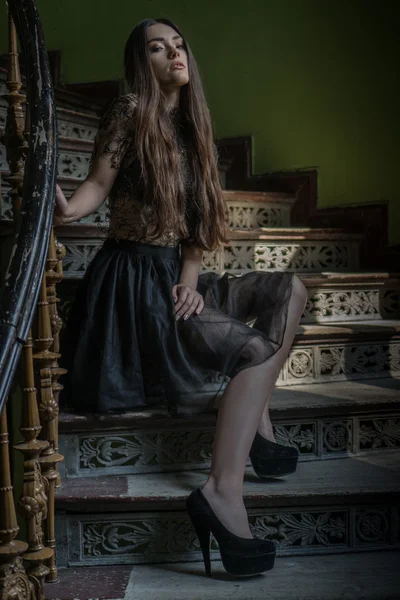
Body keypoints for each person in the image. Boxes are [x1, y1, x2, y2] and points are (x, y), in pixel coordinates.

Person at [54, 18, 307, 577]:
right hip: (132, 280)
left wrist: (190, 280)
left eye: (179, 44)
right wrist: (71, 209)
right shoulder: (128, 113)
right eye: (157, 47)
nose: (174, 53)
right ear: (140, 64)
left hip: (176, 272)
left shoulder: (196, 126)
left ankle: (256, 427)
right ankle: (222, 489)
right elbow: (100, 180)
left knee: (289, 287)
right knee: (252, 351)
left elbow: (195, 224)